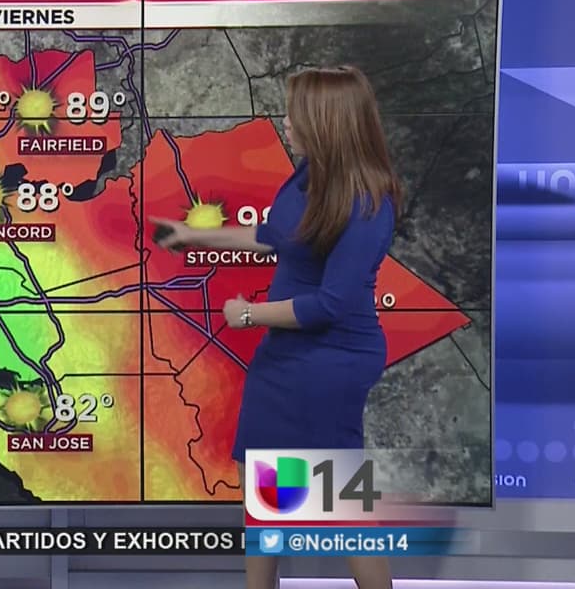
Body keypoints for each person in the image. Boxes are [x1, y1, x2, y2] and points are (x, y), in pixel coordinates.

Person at [151, 65, 400, 589]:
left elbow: (329, 305)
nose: (285, 122)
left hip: (332, 361)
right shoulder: (309, 174)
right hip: (287, 357)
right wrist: (194, 236)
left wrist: (248, 315)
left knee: (339, 502)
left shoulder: (369, 204)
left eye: (294, 114)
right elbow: (274, 236)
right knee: (260, 480)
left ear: (325, 122)